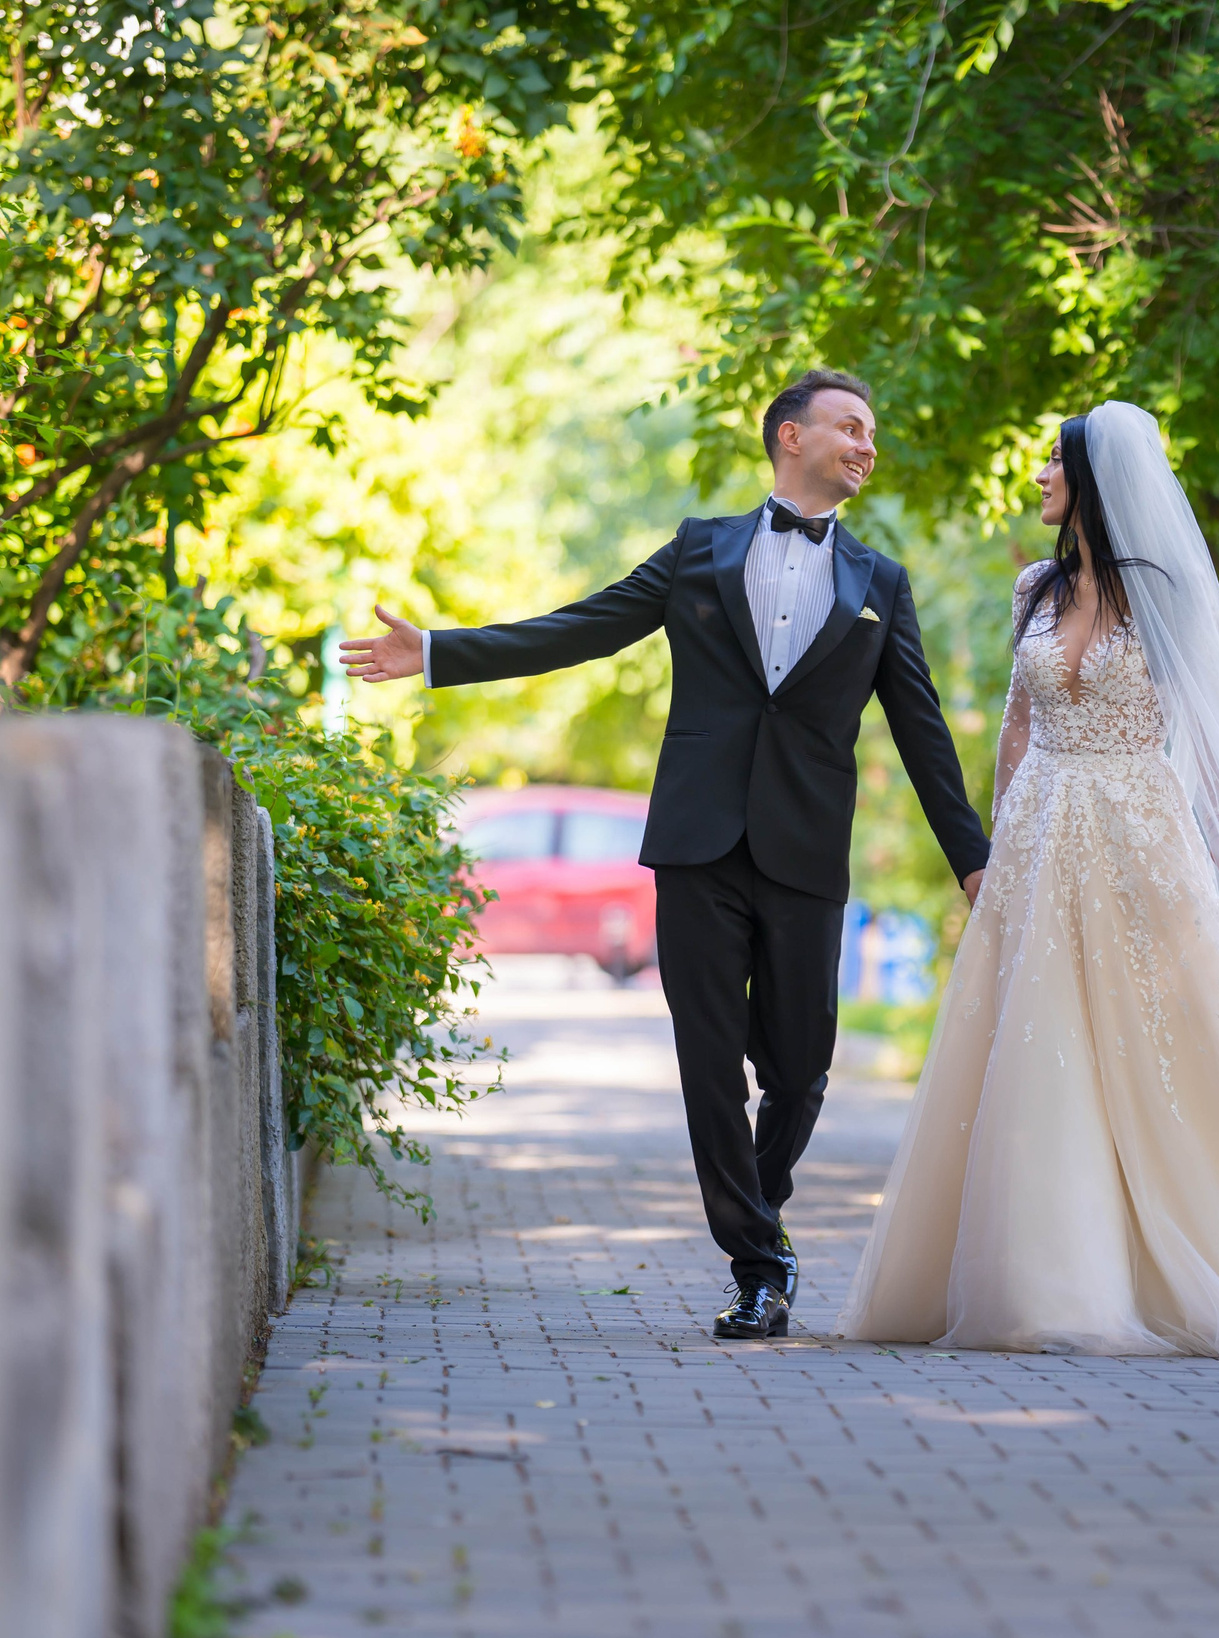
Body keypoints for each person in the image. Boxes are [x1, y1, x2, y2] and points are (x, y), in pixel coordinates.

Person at [340, 370, 990, 1340]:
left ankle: (756, 1217)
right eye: (849, 427)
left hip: (807, 848)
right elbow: (586, 628)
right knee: (705, 1060)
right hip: (697, 842)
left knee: (804, 1066)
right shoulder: (699, 550)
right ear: (788, 436)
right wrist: (438, 652)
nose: (866, 445)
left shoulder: (879, 585)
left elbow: (924, 734)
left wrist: (974, 863)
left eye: (871, 431)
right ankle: (758, 1267)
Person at [836, 401, 1219, 1356]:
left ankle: (1213, 1263)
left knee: (1166, 1034)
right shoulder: (1034, 588)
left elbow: (1206, 733)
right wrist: (994, 851)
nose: (1040, 475)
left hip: (1141, 830)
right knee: (1040, 1043)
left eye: (1053, 461)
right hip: (1043, 830)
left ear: (1094, 479)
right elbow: (1015, 725)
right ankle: (1049, 1280)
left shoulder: (1172, 598)